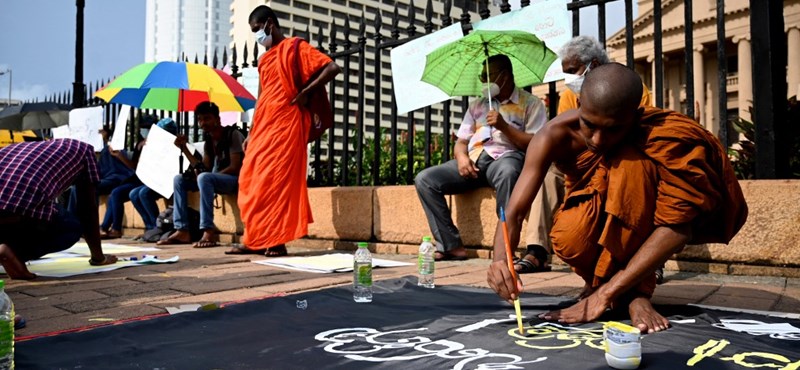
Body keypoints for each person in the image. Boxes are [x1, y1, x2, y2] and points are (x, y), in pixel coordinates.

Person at [486, 64, 747, 333]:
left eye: (613, 129)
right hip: (590, 208)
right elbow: (514, 211)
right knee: (569, 237)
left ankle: (633, 294)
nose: (598, 139)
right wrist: (499, 262)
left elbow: (678, 227)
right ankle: (607, 285)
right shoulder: (553, 136)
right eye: (589, 125)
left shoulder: (656, 136)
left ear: (634, 118)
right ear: (579, 104)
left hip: (644, 213)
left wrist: (605, 295)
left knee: (630, 168)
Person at [515, 36, 654, 274]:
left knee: (636, 175)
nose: (568, 78)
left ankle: (648, 259)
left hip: (621, 156)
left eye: (572, 70)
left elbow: (641, 133)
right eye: (565, 72)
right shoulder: (569, 96)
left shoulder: (630, 88)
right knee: (548, 174)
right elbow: (565, 138)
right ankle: (537, 250)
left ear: (595, 66)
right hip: (582, 159)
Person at [226, 5, 341, 256]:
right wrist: (252, 131)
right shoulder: (265, 58)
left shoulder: (296, 48)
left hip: (287, 125)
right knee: (249, 180)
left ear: (269, 24)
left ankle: (276, 241)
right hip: (264, 126)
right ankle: (254, 237)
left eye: (257, 29)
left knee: (276, 182)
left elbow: (331, 68)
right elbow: (262, 95)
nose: (257, 35)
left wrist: (304, 93)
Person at [415, 54, 547, 261]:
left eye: (488, 75)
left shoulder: (531, 103)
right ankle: (450, 245)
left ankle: (505, 249)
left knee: (509, 172)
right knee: (425, 179)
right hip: (474, 160)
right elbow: (461, 141)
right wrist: (461, 158)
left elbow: (535, 143)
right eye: (481, 75)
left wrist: (504, 126)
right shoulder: (477, 105)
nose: (483, 81)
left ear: (505, 76)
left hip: (505, 157)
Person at [0, 139, 118, 280]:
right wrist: (98, 258)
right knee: (70, 227)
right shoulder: (86, 151)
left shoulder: (16, 148)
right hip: (17, 202)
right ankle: (13, 253)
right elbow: (87, 210)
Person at [158, 102, 244, 248]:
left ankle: (208, 231)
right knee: (179, 179)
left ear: (217, 119)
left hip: (234, 180)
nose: (203, 123)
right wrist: (184, 148)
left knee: (205, 177)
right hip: (213, 179)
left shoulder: (232, 135)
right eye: (200, 120)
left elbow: (235, 167)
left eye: (207, 118)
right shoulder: (209, 141)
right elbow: (203, 168)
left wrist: (210, 176)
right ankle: (182, 230)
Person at [97, 122, 148, 240]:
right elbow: (134, 166)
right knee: (114, 194)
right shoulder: (139, 145)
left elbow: (129, 168)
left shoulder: (155, 145)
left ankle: (113, 228)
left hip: (140, 180)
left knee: (116, 193)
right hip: (135, 179)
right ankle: (105, 227)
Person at [129, 117, 178, 238]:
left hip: (169, 181)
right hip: (157, 180)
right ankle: (150, 227)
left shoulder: (176, 145)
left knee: (144, 193)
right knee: (134, 194)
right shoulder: (155, 145)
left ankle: (158, 227)